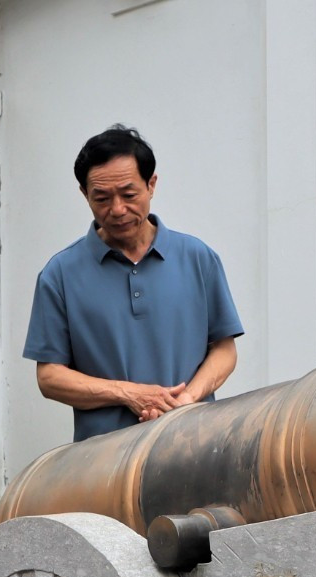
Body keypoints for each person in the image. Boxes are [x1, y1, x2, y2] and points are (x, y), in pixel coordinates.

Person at [24, 125, 242, 440]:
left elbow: (224, 349)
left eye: (129, 195)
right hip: (103, 461)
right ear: (85, 194)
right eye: (101, 198)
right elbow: (49, 377)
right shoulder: (59, 274)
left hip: (195, 446)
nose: (117, 210)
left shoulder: (198, 257)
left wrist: (185, 402)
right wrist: (128, 393)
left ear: (151, 184)